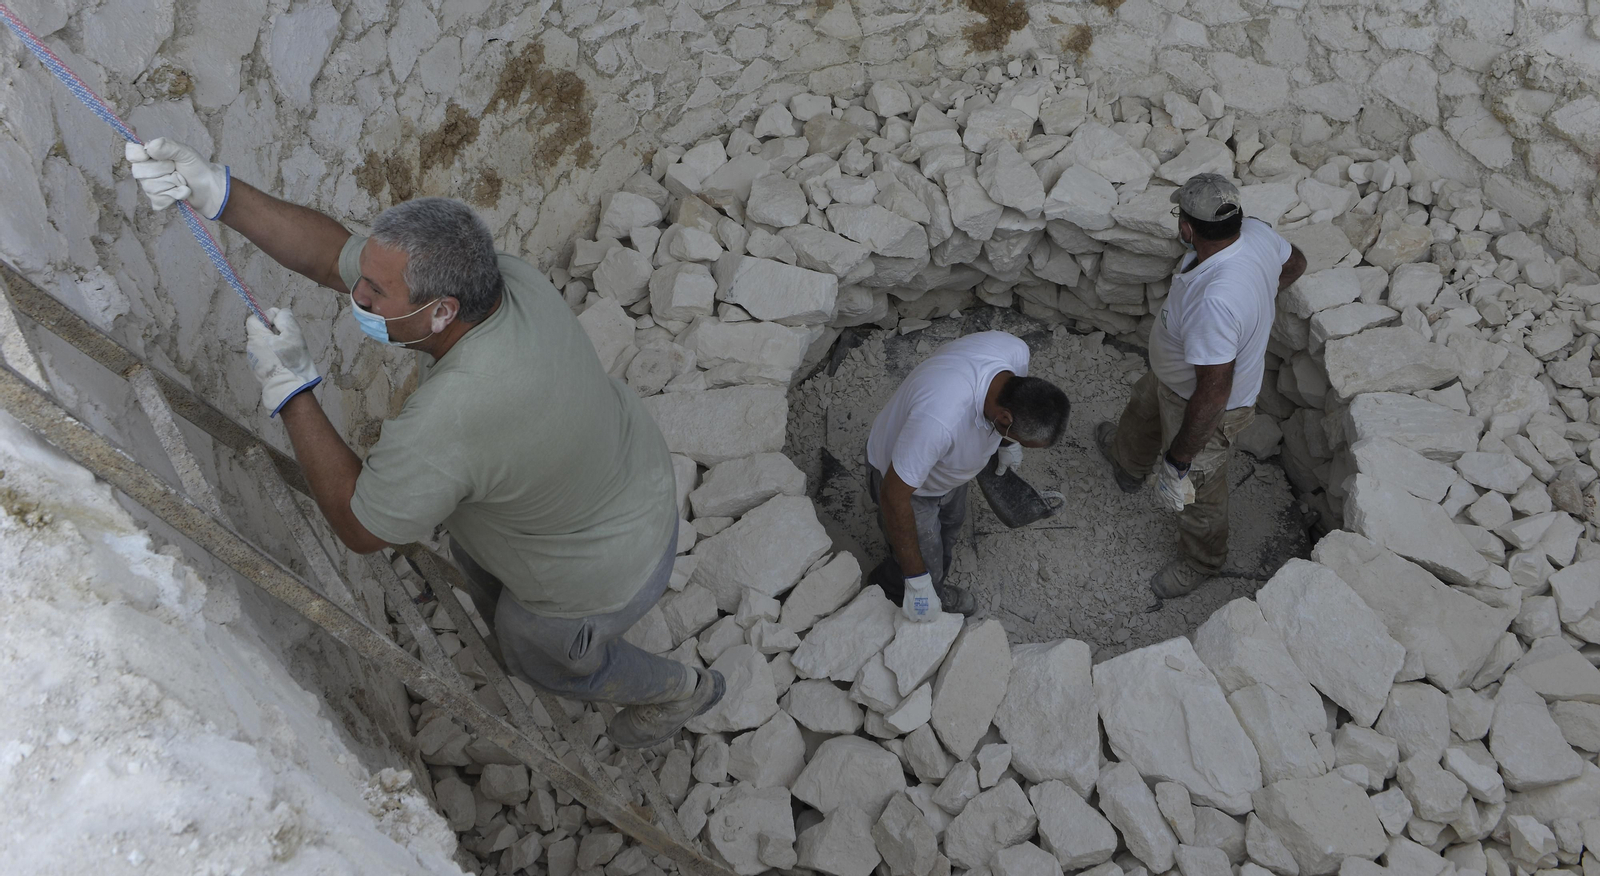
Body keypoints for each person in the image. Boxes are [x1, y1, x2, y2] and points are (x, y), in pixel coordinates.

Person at [125, 138, 722, 748]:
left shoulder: (458, 413)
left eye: (376, 295)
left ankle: (679, 689)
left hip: (606, 572)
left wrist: (292, 390)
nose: (356, 296)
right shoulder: (503, 281)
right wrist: (218, 192)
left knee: (528, 646)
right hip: (629, 472)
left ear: (441, 313)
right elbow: (335, 259)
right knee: (486, 556)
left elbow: (361, 530)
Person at [1096, 173, 1307, 599]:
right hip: (1173, 378)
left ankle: (1201, 561)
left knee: (1198, 490)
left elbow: (1213, 392)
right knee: (1141, 409)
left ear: (1188, 229)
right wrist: (1264, 292)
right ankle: (1129, 463)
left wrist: (1179, 460)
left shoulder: (1217, 301)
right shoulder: (1257, 234)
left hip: (1202, 404)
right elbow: (1296, 262)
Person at [865, 330, 1070, 621]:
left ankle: (926, 578)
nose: (1018, 445)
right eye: (1021, 441)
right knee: (923, 561)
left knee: (949, 527)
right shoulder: (940, 420)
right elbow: (893, 495)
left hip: (943, 473)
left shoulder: (1014, 353)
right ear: (1004, 419)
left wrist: (1006, 445)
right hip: (906, 485)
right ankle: (896, 588)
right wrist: (916, 578)